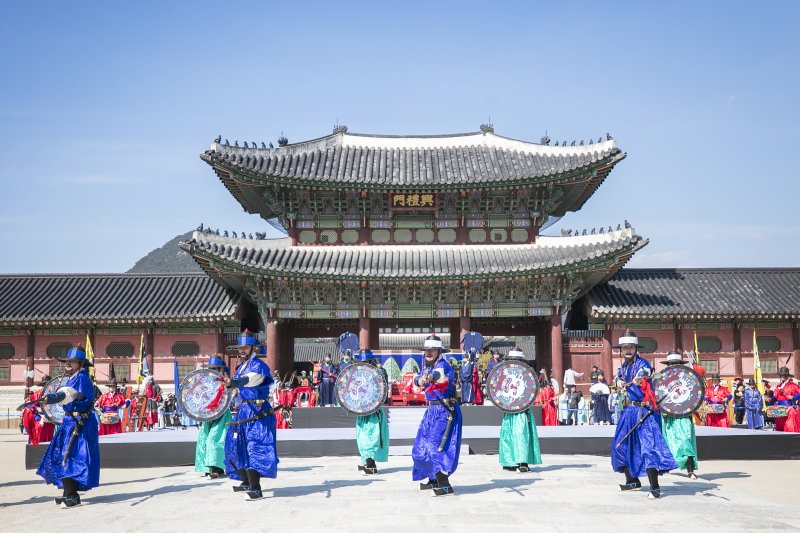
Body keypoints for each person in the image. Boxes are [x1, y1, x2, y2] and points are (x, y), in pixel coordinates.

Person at [611, 329, 677, 499]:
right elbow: (618, 380)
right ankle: (632, 480)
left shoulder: (643, 365)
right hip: (630, 411)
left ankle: (654, 487)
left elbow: (644, 376)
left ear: (635, 348)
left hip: (645, 411)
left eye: (631, 347)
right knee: (620, 445)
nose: (627, 350)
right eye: (625, 347)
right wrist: (617, 381)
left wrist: (637, 380)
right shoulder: (623, 367)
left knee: (649, 448)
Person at [35, 346, 100, 508]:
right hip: (69, 422)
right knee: (61, 455)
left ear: (80, 363)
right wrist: (50, 399)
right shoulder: (73, 377)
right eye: (67, 361)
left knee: (71, 457)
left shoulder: (82, 379)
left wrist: (51, 399)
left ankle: (72, 495)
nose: (68, 364)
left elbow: (69, 396)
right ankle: (68, 494)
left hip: (80, 424)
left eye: (72, 361)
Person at [223, 331, 279, 500]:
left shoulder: (258, 366)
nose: (241, 350)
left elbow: (251, 380)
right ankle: (246, 481)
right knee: (235, 444)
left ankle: (256, 488)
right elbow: (238, 389)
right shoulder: (241, 366)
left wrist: (234, 382)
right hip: (243, 411)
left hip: (258, 413)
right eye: (240, 347)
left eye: (245, 347)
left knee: (254, 447)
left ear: (253, 348)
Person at [412, 333, 462, 496]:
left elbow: (439, 375)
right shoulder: (427, 367)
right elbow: (419, 378)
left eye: (432, 349)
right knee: (421, 446)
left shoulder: (443, 366)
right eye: (426, 349)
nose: (428, 352)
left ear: (439, 351)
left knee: (436, 446)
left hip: (444, 411)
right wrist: (419, 379)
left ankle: (444, 483)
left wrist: (430, 377)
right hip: (431, 411)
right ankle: (433, 478)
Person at [498, 347, 541, 472]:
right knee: (508, 436)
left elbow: (531, 391)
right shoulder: (504, 373)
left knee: (521, 435)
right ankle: (509, 462)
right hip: (509, 409)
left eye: (516, 360)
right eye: (513, 360)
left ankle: (523, 462)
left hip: (522, 410)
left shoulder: (528, 373)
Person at [659, 351, 699, 479]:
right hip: (669, 416)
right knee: (669, 442)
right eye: (671, 363)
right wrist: (663, 409)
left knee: (686, 442)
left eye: (676, 363)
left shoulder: (688, 379)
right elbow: (659, 397)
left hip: (684, 415)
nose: (673, 365)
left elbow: (694, 396)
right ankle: (667, 466)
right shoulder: (662, 380)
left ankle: (690, 470)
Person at [195, 356, 233, 479]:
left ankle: (216, 469)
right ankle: (208, 468)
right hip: (207, 416)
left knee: (215, 440)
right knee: (204, 440)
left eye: (216, 368)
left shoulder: (226, 382)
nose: (213, 370)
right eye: (211, 368)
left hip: (221, 415)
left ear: (221, 369)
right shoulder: (204, 383)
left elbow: (228, 399)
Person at [354, 354, 390, 475]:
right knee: (362, 437)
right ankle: (366, 461)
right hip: (362, 411)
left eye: (366, 361)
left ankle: (371, 465)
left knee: (371, 437)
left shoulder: (378, 373)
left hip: (374, 412)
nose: (364, 363)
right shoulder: (357, 373)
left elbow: (381, 390)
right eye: (362, 361)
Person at [773, 367, 800, 432]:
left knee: (789, 427)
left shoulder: (793, 385)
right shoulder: (778, 386)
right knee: (780, 428)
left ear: (786, 376)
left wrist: (794, 397)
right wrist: (771, 399)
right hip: (779, 410)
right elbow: (776, 397)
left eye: (782, 375)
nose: (780, 377)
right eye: (780, 375)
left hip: (788, 409)